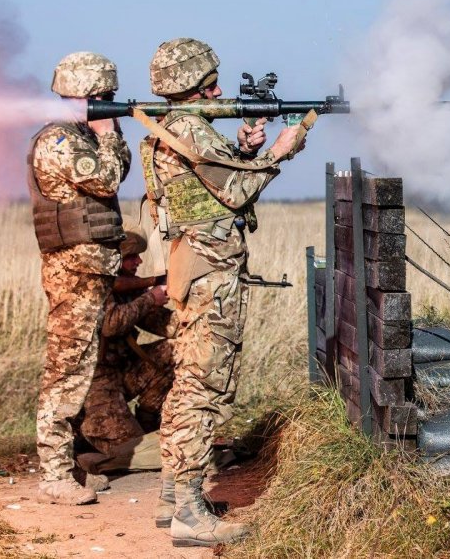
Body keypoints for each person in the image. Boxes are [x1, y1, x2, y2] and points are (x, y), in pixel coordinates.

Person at [141, 37, 311, 546]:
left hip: (190, 270)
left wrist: (242, 151)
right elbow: (236, 192)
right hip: (210, 275)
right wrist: (281, 152)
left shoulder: (163, 129)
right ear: (193, 86)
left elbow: (211, 186)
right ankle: (190, 515)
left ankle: (174, 495)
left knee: (186, 380)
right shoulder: (189, 130)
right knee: (204, 387)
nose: (219, 89)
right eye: (211, 82)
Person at [28, 52, 131, 505]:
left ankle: (67, 465)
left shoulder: (82, 136)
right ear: (88, 94)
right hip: (72, 270)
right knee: (66, 370)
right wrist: (109, 133)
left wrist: (111, 132)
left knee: (82, 367)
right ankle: (52, 476)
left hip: (90, 270)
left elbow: (118, 171)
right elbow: (107, 182)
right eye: (105, 97)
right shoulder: (58, 142)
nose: (109, 103)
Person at [73, 230, 173, 475]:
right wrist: (151, 296)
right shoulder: (93, 287)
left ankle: (149, 422)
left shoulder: (128, 287)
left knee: (176, 351)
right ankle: (84, 442)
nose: (138, 262)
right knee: (135, 452)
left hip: (123, 373)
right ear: (114, 259)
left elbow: (162, 324)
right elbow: (111, 324)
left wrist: (191, 308)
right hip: (94, 385)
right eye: (131, 257)